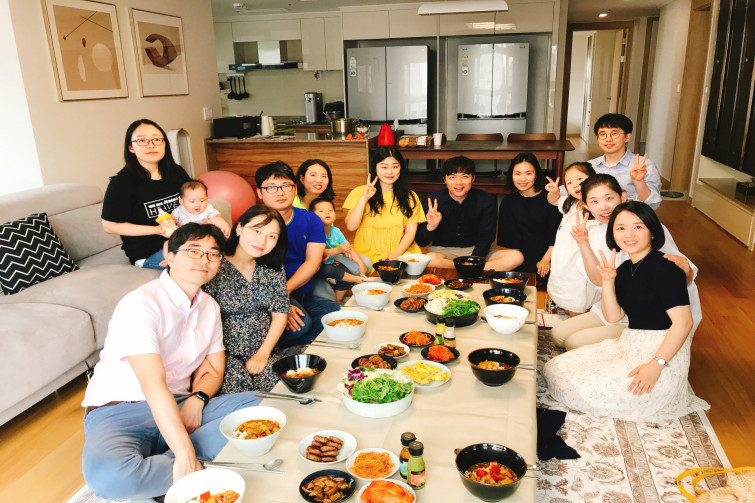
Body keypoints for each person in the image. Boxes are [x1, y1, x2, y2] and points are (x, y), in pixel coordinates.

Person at [81, 223, 261, 500]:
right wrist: (185, 452)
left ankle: (167, 469)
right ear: (170, 256)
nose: (204, 260)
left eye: (213, 254)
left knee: (266, 406)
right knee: (110, 478)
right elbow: (152, 385)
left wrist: (196, 399)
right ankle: (195, 464)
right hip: (121, 411)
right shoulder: (141, 303)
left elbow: (215, 370)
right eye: (194, 251)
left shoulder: (209, 307)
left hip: (180, 405)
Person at [544, 201, 709, 421]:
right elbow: (613, 316)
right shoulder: (624, 268)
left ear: (652, 232)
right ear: (613, 233)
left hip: (661, 353)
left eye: (638, 227)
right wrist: (608, 280)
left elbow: (684, 323)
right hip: (630, 344)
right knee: (554, 369)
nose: (629, 234)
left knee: (571, 388)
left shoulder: (665, 266)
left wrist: (656, 365)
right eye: (621, 228)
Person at [550, 174, 700, 350]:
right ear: (586, 206)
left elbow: (678, 277)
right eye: (594, 201)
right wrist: (583, 242)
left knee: (574, 342)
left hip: (649, 313)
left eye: (609, 198)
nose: (603, 207)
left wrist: (687, 273)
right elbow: (598, 280)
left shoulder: (645, 226)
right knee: (558, 334)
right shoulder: (595, 231)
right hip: (616, 305)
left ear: (622, 197)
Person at [202, 205, 290, 393]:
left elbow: (280, 314)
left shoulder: (272, 267)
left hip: (265, 351)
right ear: (240, 227)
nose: (262, 241)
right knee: (237, 396)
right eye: (257, 231)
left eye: (272, 236)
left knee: (283, 390)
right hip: (223, 356)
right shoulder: (214, 263)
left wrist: (263, 354)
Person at [254, 161, 340, 348]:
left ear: (294, 189)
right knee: (302, 325)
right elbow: (249, 270)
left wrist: (285, 293)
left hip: (298, 288)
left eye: (285, 186)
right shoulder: (252, 222)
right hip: (266, 292)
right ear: (259, 192)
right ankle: (272, 345)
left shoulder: (310, 219)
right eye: (271, 187)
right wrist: (280, 299)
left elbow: (313, 262)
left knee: (335, 313)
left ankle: (287, 338)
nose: (280, 192)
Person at [102, 118, 191, 269]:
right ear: (131, 147)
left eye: (156, 139)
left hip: (184, 241)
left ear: (164, 144)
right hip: (149, 252)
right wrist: (157, 230)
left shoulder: (176, 172)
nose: (151, 145)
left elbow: (192, 201)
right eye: (142, 140)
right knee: (198, 265)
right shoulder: (121, 183)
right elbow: (109, 226)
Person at [343, 146, 426, 264]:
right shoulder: (359, 192)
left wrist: (396, 254)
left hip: (400, 251)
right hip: (366, 254)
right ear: (375, 167)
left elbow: (410, 232)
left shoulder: (410, 196)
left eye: (395, 166)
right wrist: (364, 198)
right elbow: (351, 226)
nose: (390, 172)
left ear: (401, 168)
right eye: (384, 167)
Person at [415, 156, 500, 269]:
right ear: (445, 180)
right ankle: (472, 269)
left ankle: (464, 268)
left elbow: (487, 237)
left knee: (515, 257)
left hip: (477, 250)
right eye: (452, 177)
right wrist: (431, 227)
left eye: (464, 176)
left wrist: (473, 259)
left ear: (473, 178)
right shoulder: (433, 201)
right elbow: (421, 242)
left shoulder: (486, 200)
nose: (458, 182)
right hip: (442, 251)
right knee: (430, 259)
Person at [489, 153, 561, 282]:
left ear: (536, 175)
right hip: (520, 258)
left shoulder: (550, 198)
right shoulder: (508, 201)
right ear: (511, 175)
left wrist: (546, 260)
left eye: (528, 173)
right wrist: (514, 265)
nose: (522, 179)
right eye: (517, 174)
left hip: (548, 256)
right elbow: (509, 242)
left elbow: (556, 235)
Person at [544, 162, 600, 316]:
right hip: (564, 260)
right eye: (569, 182)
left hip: (580, 264)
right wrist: (554, 191)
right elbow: (553, 200)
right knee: (565, 296)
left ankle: (582, 321)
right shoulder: (572, 203)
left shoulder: (597, 208)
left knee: (579, 299)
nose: (575, 184)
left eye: (579, 179)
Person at [589, 113, 662, 209]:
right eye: (603, 134)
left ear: (627, 137)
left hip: (631, 216)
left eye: (614, 133)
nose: (608, 139)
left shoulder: (644, 165)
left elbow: (653, 204)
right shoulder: (590, 166)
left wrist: (639, 182)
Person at [309, 197, 369, 303]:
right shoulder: (313, 231)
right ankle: (357, 280)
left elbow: (348, 247)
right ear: (312, 216)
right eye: (321, 211)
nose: (327, 213)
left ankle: (339, 300)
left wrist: (361, 265)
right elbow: (318, 253)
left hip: (331, 262)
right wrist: (338, 250)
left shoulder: (335, 231)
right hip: (316, 267)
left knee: (345, 274)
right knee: (331, 271)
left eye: (330, 210)